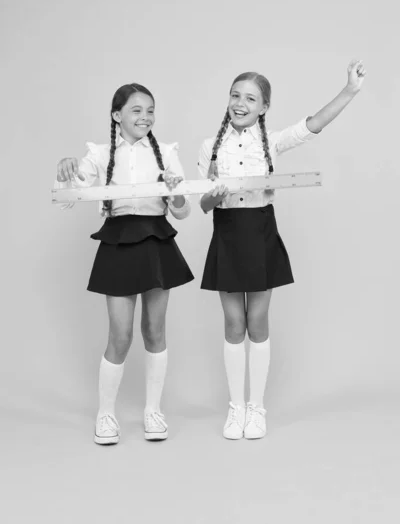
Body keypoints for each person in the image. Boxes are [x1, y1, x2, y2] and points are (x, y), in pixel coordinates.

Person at [197, 60, 366, 440]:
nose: (241, 103)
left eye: (250, 98)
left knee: (257, 323)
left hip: (260, 233)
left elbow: (313, 125)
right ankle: (235, 407)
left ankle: (256, 408)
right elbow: (202, 206)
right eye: (236, 95)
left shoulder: (271, 142)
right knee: (232, 324)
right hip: (226, 233)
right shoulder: (210, 147)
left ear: (264, 107)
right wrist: (213, 194)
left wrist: (350, 91)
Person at [55, 83, 193, 444]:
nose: (145, 116)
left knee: (155, 330)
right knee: (120, 335)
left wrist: (175, 191)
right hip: (118, 240)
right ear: (117, 115)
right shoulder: (99, 154)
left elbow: (183, 211)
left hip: (156, 239)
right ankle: (105, 415)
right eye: (136, 110)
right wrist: (64, 171)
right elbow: (70, 194)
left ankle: (153, 411)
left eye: (150, 110)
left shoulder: (165, 152)